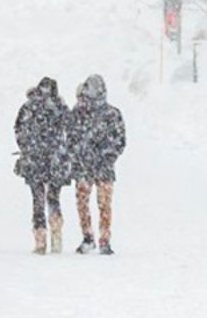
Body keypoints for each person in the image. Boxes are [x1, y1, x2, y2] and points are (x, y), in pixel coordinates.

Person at [66, 75, 125, 255]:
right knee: (99, 204)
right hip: (95, 167)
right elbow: (70, 138)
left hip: (94, 166)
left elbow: (119, 142)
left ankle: (96, 238)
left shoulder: (108, 114)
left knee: (92, 203)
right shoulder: (84, 113)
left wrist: (99, 156)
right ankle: (96, 238)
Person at [14, 77, 70, 255]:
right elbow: (70, 132)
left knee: (37, 200)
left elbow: (18, 130)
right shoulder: (60, 108)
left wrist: (27, 148)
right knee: (54, 198)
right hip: (56, 161)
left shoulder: (28, 107)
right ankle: (56, 236)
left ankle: (40, 240)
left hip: (34, 160)